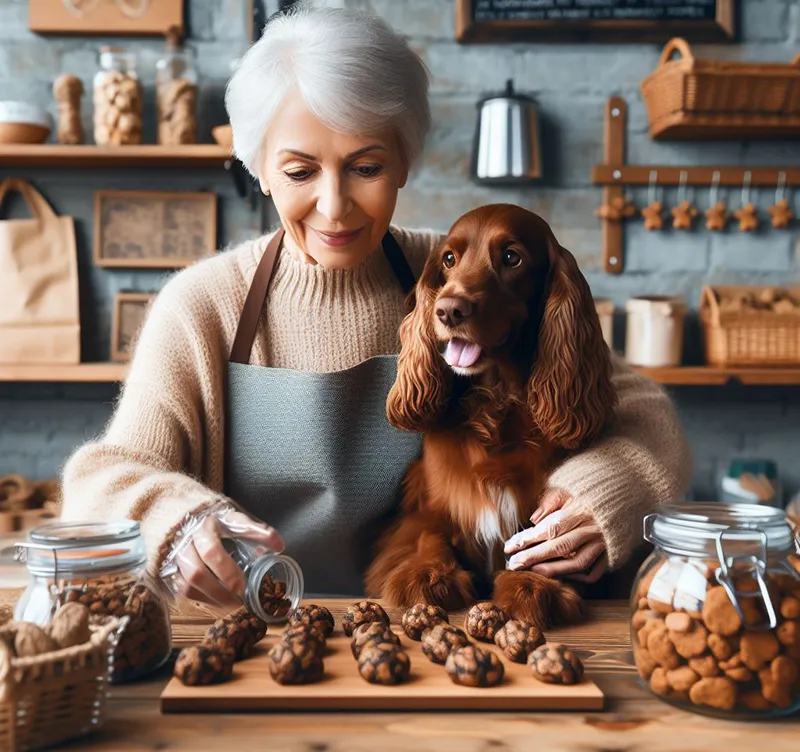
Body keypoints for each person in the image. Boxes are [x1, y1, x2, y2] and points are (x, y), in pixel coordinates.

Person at [61, 5, 691, 606]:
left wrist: (608, 489)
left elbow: (643, 413)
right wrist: (176, 522)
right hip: (253, 632)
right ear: (259, 169)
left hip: (426, 632)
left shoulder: (448, 278)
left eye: (365, 166)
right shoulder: (204, 305)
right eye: (301, 172)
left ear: (403, 163)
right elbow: (100, 480)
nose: (335, 207)